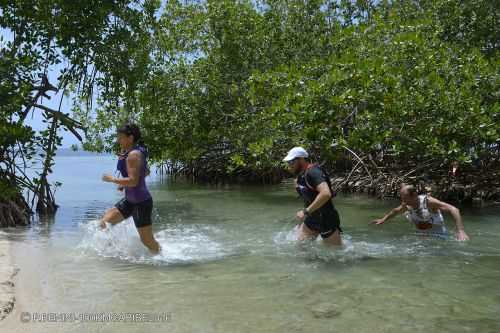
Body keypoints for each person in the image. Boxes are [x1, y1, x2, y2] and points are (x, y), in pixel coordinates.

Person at [99, 123, 161, 254]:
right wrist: (123, 183)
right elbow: (146, 172)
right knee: (105, 223)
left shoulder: (133, 155)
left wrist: (113, 179)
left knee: (147, 241)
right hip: (129, 201)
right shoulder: (130, 152)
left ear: (130, 138)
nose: (118, 140)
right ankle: (115, 250)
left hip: (141, 203)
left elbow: (133, 181)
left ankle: (161, 256)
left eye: (120, 137)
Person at [283, 147, 343, 246]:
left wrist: (306, 211)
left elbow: (326, 193)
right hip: (312, 218)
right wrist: (298, 187)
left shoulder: (313, 172)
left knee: (336, 255)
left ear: (301, 159)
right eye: (288, 162)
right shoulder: (302, 175)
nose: (289, 165)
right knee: (300, 246)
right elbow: (310, 196)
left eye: (291, 162)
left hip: (326, 219)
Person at [371, 184, 470, 241]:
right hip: (422, 238)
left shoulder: (428, 201)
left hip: (439, 238)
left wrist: (460, 230)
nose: (403, 201)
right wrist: (383, 220)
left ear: (414, 194)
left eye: (405, 198)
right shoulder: (406, 204)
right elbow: (396, 211)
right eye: (402, 198)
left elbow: (454, 209)